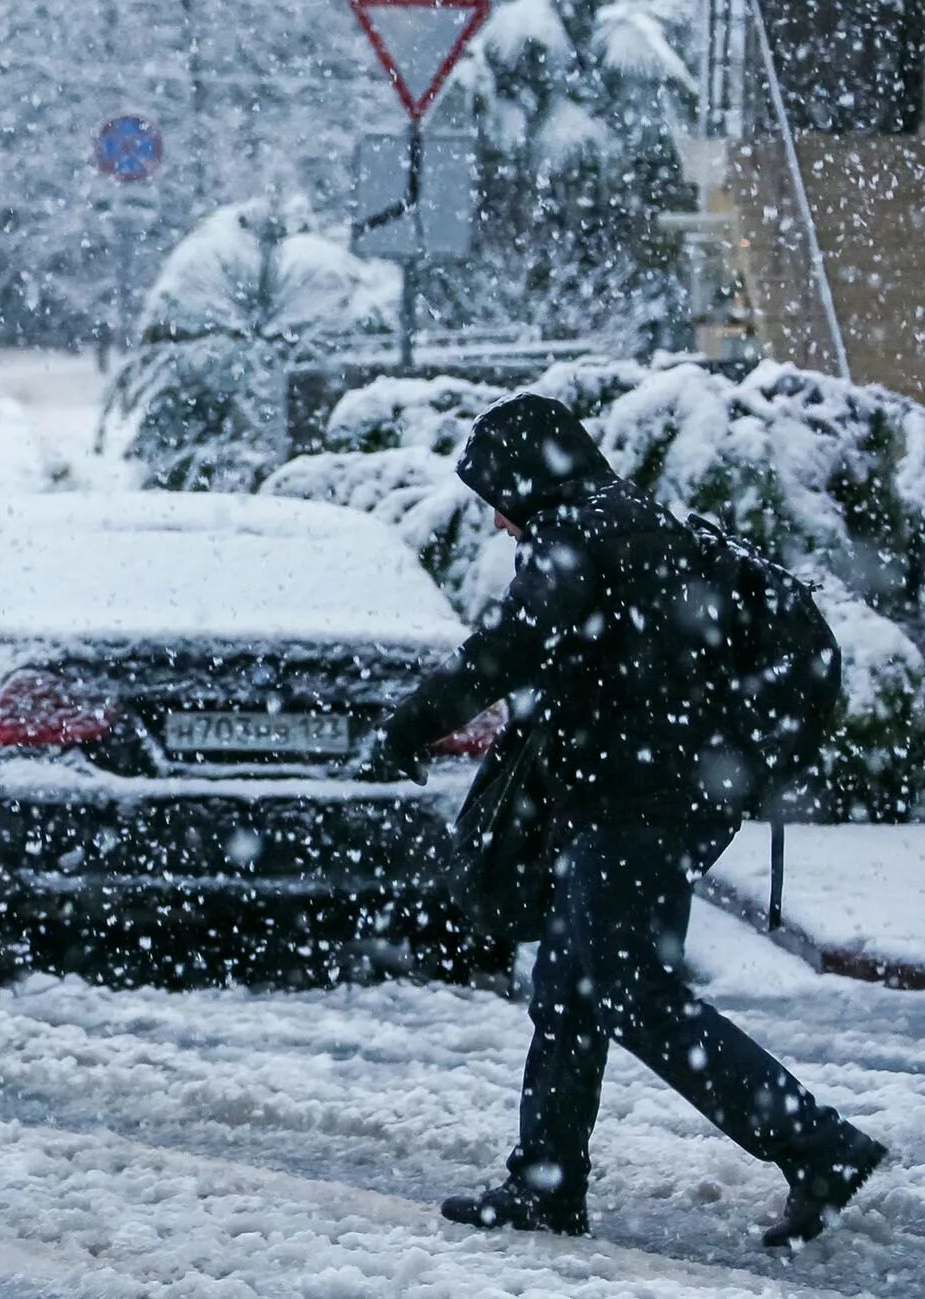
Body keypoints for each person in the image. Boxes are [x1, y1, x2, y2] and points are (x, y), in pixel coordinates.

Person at [365, 393, 885, 1249]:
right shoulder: (624, 518)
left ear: (526, 474)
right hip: (658, 794)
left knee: (628, 991)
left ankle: (817, 1145)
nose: (496, 519)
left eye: (496, 492)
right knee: (571, 984)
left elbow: (500, 653)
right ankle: (546, 1181)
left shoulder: (581, 533)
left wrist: (405, 728)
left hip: (640, 804)